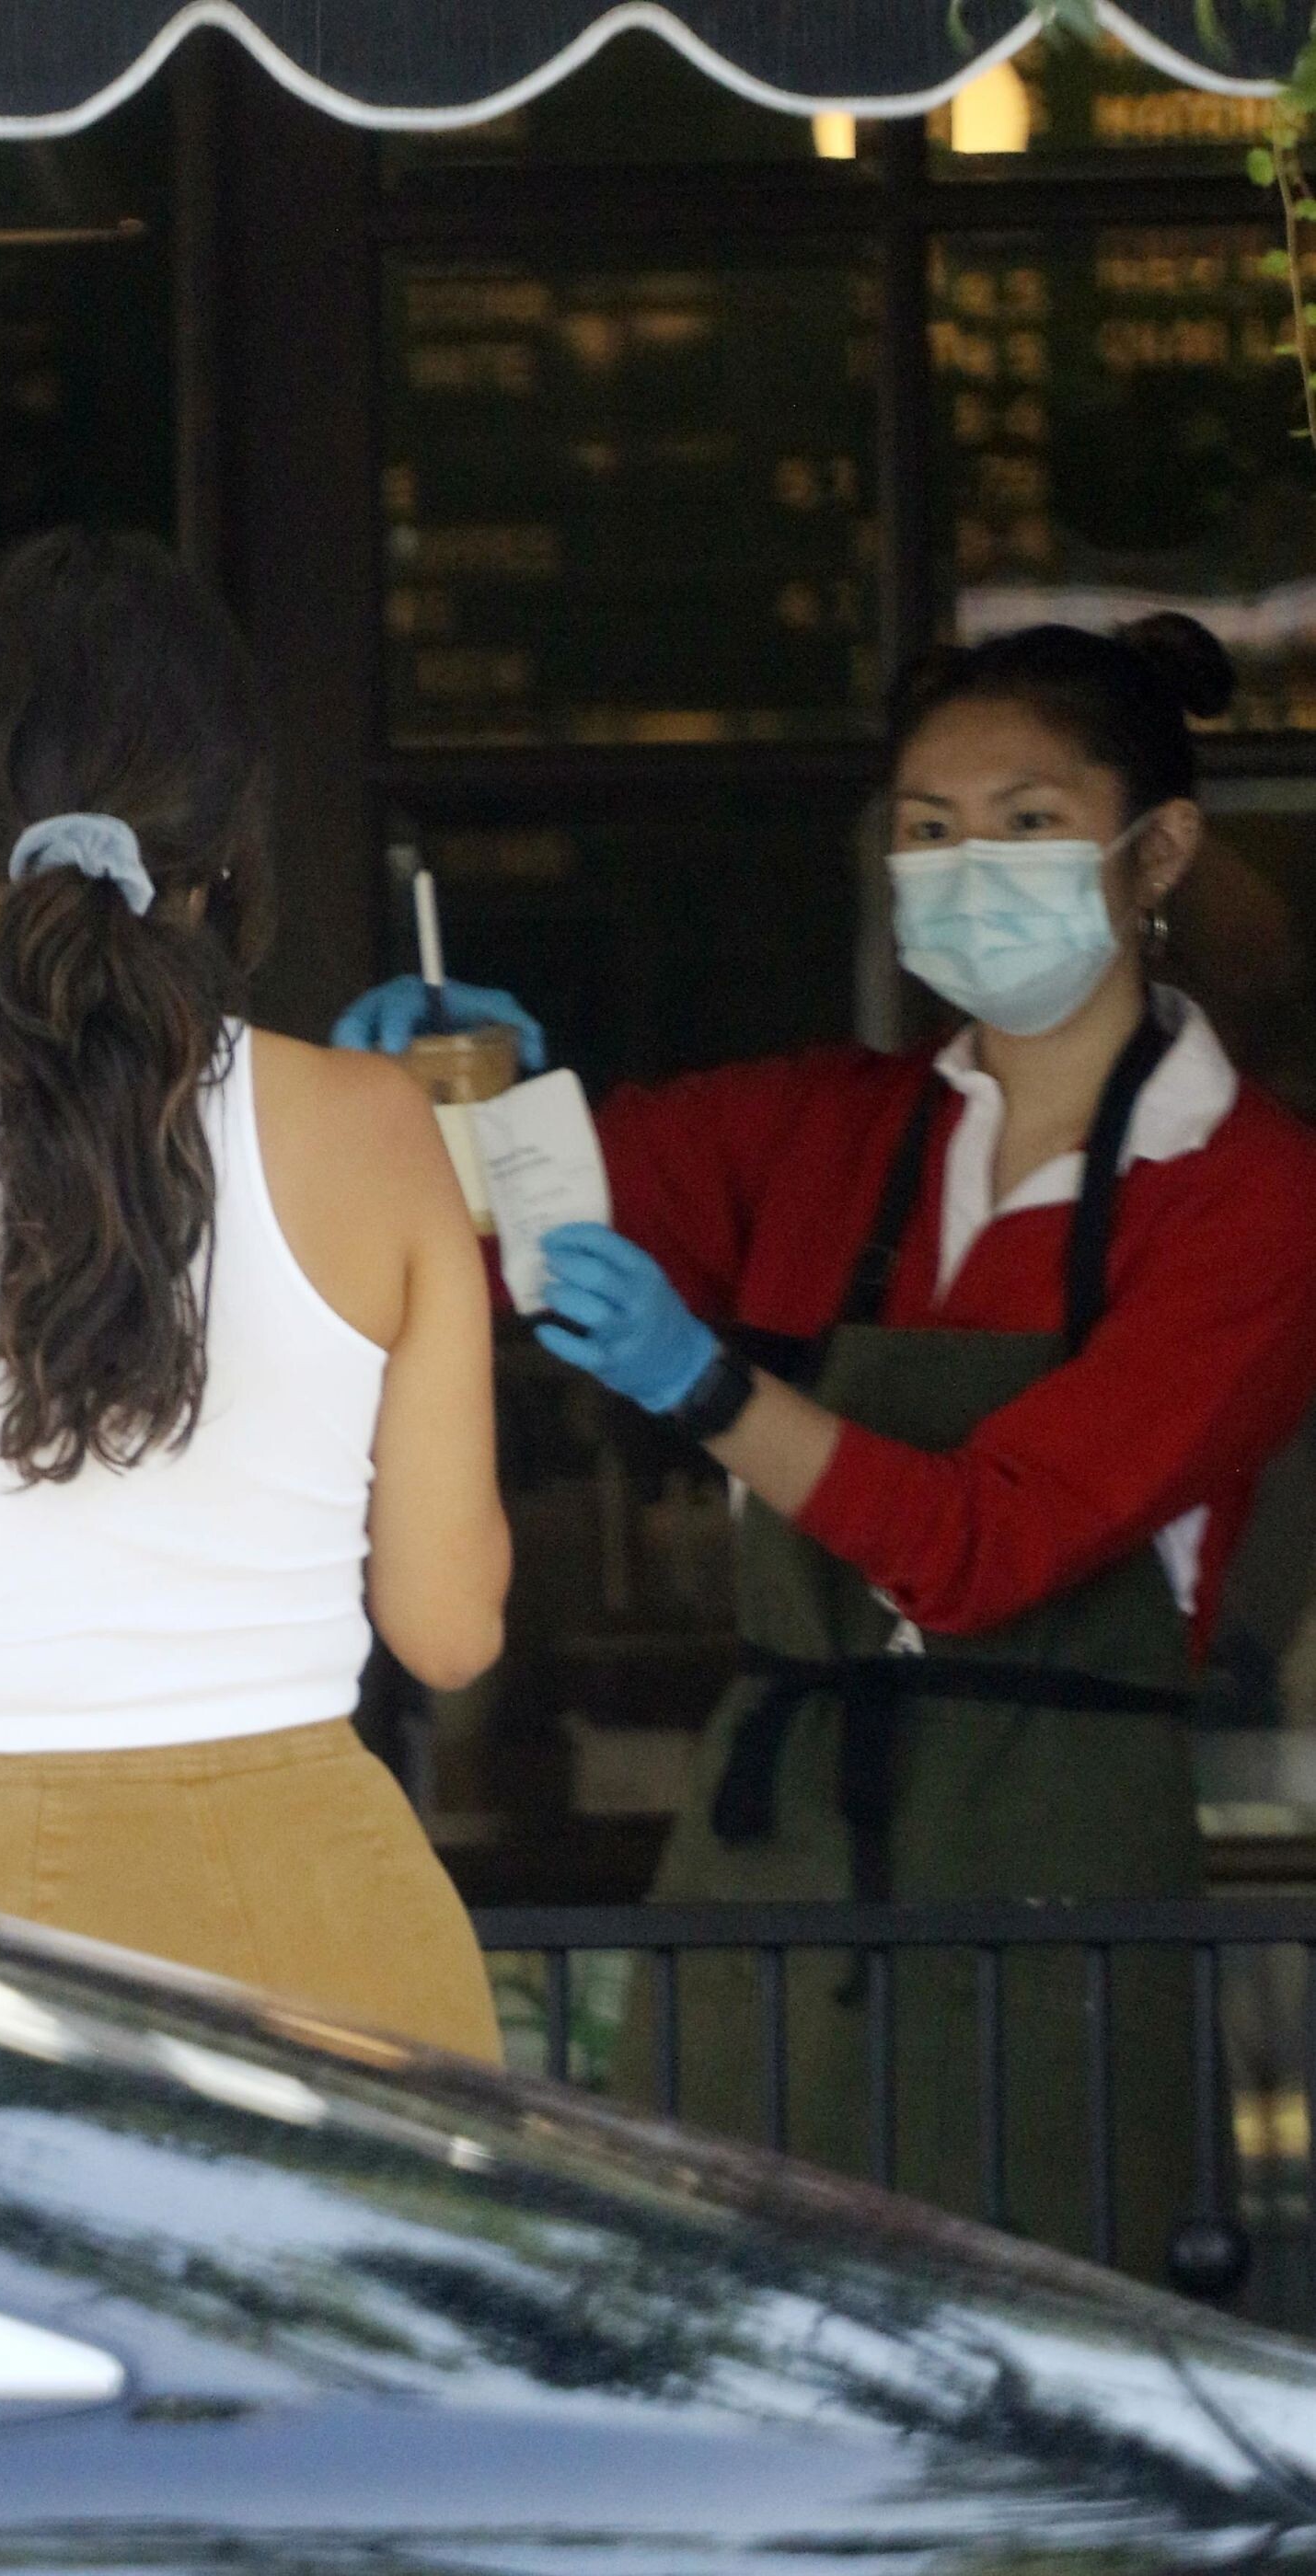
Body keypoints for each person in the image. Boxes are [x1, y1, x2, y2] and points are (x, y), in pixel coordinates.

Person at [335, 615, 1316, 2273]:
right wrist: (448, 1103)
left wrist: (706, 1386)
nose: (965, 868)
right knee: (702, 2310)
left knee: (1041, 2347)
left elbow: (984, 1549)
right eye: (927, 829)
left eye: (1023, 822)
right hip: (766, 1866)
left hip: (1054, 1896)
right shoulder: (827, 1131)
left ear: (1155, 851)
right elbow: (484, 1238)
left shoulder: (1247, 1197)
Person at [0, 526, 510, 2061]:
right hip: (342, 1909)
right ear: (227, 846)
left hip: (1, 1916)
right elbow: (445, 1632)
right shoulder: (375, 1131)